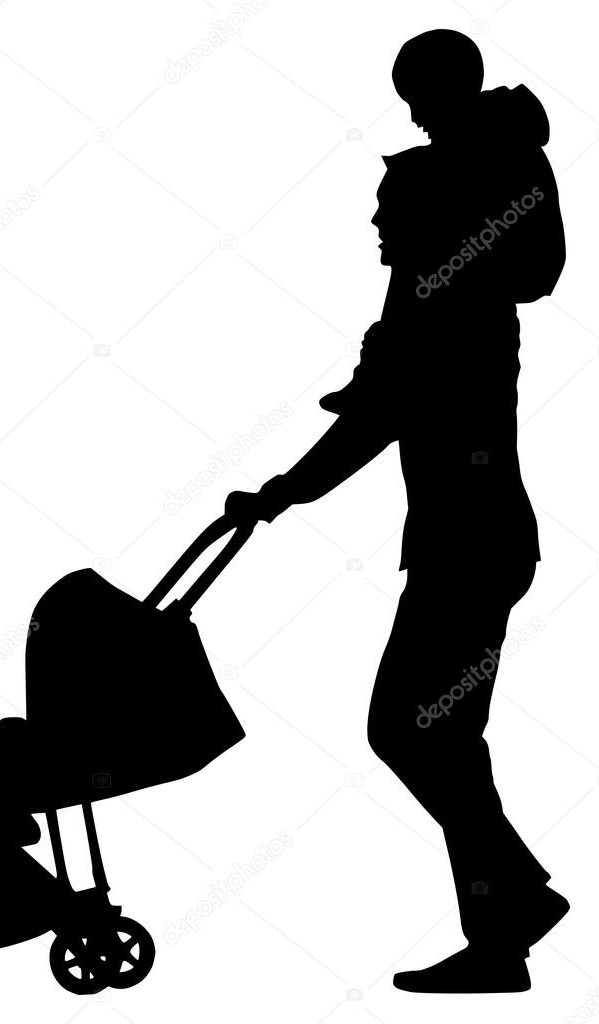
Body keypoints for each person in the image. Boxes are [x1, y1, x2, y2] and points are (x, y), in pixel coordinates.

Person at [225, 29, 567, 994]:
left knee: (413, 730)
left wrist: (284, 493)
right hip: (476, 540)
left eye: (386, 216)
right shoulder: (453, 290)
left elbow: (382, 410)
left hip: (473, 543)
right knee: (435, 733)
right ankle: (504, 930)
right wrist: (290, 486)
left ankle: (513, 905)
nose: (376, 230)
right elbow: (391, 383)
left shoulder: (450, 302)